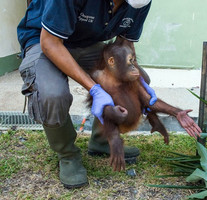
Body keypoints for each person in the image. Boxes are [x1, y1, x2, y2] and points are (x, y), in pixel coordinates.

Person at [17, 0, 156, 188]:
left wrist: (134, 80)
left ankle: (101, 141)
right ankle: (67, 154)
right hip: (44, 40)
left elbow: (124, 44)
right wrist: (95, 88)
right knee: (52, 94)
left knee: (133, 81)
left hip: (88, 44)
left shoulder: (140, 2)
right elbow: (50, 43)